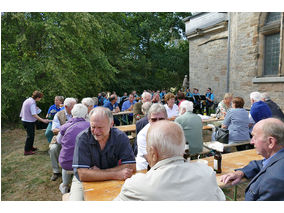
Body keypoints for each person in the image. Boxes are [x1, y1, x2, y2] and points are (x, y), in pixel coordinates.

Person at [114, 120, 225, 201]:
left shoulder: (136, 186)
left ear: (153, 153)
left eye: (147, 150)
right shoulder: (207, 173)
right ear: (182, 149)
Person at [70, 107, 136, 201]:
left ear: (111, 124)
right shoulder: (83, 138)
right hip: (84, 181)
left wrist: (96, 173)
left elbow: (131, 165)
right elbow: (82, 174)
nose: (96, 132)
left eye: (100, 127)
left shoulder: (120, 137)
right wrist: (116, 174)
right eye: (93, 127)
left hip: (114, 179)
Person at [220, 118, 284, 201]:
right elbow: (263, 164)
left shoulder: (275, 180)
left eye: (254, 137)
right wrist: (241, 172)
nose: (251, 142)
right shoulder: (278, 158)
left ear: (271, 142)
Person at [57, 104, 90, 194]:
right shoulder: (90, 126)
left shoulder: (65, 127)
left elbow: (58, 141)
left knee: (65, 160)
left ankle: (65, 185)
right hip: (86, 162)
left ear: (72, 113)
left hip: (67, 161)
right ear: (86, 114)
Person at [49, 97, 77, 181]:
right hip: (61, 137)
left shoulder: (77, 114)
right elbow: (54, 130)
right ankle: (56, 171)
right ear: (66, 107)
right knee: (53, 148)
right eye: (73, 106)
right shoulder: (58, 115)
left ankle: (76, 167)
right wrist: (67, 129)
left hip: (74, 139)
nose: (75, 108)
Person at [136, 103, 168, 171]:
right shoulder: (143, 135)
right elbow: (150, 160)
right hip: (145, 169)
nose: (157, 122)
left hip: (166, 167)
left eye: (161, 119)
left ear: (166, 119)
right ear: (148, 120)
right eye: (154, 120)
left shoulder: (171, 131)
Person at [20, 90, 50, 155]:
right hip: (28, 121)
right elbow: (34, 114)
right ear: (38, 97)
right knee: (30, 136)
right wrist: (43, 120)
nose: (40, 99)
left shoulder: (29, 100)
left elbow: (29, 109)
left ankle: (30, 147)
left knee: (32, 135)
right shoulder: (32, 103)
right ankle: (27, 151)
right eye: (40, 98)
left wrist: (36, 108)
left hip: (25, 119)